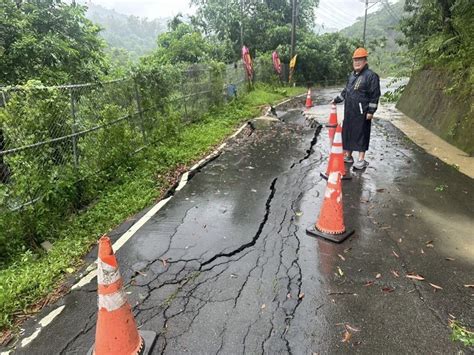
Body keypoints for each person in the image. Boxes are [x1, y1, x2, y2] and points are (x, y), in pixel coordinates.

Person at [332, 47, 381, 170]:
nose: (357, 62)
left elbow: (375, 95)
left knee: (361, 134)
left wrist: (371, 111)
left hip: (362, 112)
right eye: (355, 60)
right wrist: (337, 99)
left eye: (360, 60)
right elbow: (346, 91)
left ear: (365, 61)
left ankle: (361, 159)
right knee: (348, 132)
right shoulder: (352, 76)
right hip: (349, 111)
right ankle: (348, 155)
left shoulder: (371, 76)